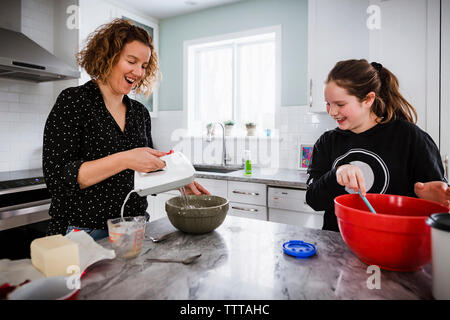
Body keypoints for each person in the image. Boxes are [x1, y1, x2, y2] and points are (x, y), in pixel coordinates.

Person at [43, 19, 208, 240]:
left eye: (144, 66)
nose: (138, 72)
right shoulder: (74, 101)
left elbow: (145, 171)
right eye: (132, 61)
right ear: (108, 57)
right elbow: (59, 179)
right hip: (84, 233)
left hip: (135, 228)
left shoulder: (139, 113)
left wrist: (179, 180)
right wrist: (125, 159)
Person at [305, 59, 447, 232]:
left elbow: (437, 202)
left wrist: (431, 200)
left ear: (368, 99)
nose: (332, 112)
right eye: (328, 103)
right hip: (338, 247)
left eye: (340, 104)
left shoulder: (411, 138)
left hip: (393, 248)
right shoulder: (327, 142)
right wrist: (337, 174)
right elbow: (313, 200)